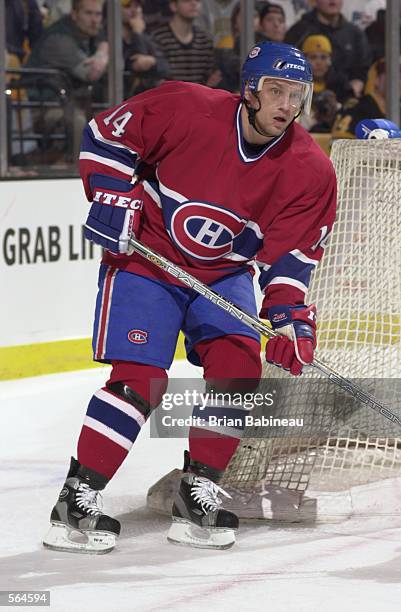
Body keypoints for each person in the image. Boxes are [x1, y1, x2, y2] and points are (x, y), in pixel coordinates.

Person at [42, 41, 337, 553]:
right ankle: (77, 497)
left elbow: (290, 262)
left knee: (238, 369)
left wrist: (289, 319)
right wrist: (112, 196)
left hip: (223, 276)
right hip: (147, 260)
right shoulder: (187, 107)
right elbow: (104, 137)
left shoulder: (310, 170)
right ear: (249, 89)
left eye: (297, 94)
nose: (287, 105)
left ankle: (197, 491)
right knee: (141, 381)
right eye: (276, 90)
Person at [27, 0, 108, 158]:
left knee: (110, 118)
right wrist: (104, 54)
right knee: (78, 120)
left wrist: (103, 50)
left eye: (98, 14)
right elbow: (90, 73)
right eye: (88, 13)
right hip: (42, 107)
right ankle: (77, 170)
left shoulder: (93, 35)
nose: (94, 20)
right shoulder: (58, 38)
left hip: (72, 102)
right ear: (74, 15)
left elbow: (119, 64)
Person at [285, 0, 372, 99]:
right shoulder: (299, 31)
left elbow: (363, 68)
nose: (332, 0)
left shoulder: (355, 34)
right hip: (306, 98)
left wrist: (355, 87)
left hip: (345, 98)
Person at [151, 0, 217, 85]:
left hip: (199, 96)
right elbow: (157, 78)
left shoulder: (206, 39)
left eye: (198, 0)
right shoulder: (159, 38)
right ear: (173, 6)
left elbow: (208, 78)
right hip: (169, 95)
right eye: (187, 0)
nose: (194, 3)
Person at [332, 57, 401, 139]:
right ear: (376, 79)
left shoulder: (396, 110)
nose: (398, 80)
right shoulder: (358, 108)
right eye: (393, 75)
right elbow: (340, 142)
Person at [120, 0, 169, 96]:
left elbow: (165, 67)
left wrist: (153, 61)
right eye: (128, 6)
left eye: (137, 6)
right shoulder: (109, 37)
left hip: (140, 98)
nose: (134, 11)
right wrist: (137, 33)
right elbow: (137, 64)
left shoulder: (146, 37)